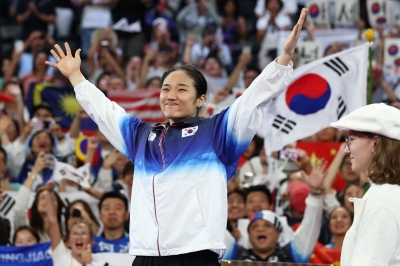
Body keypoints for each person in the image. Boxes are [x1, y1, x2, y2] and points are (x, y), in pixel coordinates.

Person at [45, 8, 308, 265]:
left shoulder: (217, 132)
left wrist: (283, 58)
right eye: (165, 88)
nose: (171, 95)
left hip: (195, 254)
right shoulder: (141, 136)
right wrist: (76, 76)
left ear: (200, 99)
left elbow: (251, 100)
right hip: (145, 255)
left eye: (182, 89)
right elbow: (105, 111)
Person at [330, 103, 400, 266]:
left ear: (375, 143)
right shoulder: (386, 194)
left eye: (351, 140)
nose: (347, 150)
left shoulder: (383, 199)